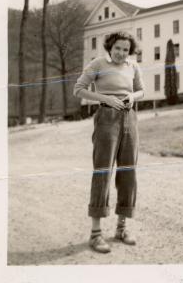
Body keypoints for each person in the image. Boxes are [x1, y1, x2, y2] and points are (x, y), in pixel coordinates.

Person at [73, 31, 144, 253]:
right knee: (103, 172)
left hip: (130, 119)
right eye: (117, 48)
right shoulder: (98, 63)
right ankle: (95, 234)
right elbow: (78, 89)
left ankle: (121, 228)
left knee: (128, 173)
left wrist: (132, 96)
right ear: (109, 47)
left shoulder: (133, 67)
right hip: (106, 119)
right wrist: (106, 98)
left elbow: (141, 90)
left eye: (125, 49)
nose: (121, 53)